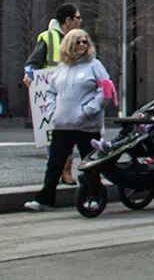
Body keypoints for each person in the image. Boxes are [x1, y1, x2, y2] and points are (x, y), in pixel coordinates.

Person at [24, 29, 114, 211]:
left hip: (87, 125)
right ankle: (44, 199)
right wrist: (52, 112)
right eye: (78, 42)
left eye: (85, 42)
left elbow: (105, 92)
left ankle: (94, 196)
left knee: (90, 164)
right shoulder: (61, 69)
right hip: (62, 123)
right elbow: (50, 92)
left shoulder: (95, 66)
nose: (82, 45)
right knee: (54, 164)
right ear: (69, 45)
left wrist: (90, 110)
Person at [24, 3, 85, 186]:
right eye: (77, 17)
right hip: (52, 94)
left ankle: (65, 170)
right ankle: (61, 171)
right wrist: (29, 75)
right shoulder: (48, 37)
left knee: (71, 134)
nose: (80, 21)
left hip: (73, 95)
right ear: (68, 20)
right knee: (57, 136)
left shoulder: (79, 39)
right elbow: (33, 62)